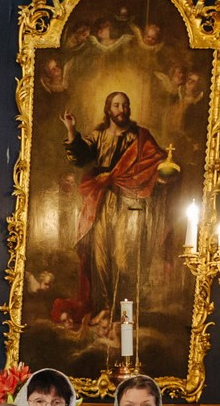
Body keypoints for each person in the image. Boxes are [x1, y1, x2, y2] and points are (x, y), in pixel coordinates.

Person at [60, 90, 167, 321]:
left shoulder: (140, 137)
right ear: (109, 110)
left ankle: (124, 313)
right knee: (99, 255)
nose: (122, 110)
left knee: (123, 255)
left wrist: (161, 173)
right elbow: (80, 156)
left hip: (128, 202)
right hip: (100, 201)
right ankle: (104, 308)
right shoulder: (98, 136)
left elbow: (157, 161)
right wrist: (70, 129)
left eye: (125, 105)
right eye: (117, 105)